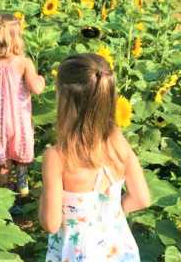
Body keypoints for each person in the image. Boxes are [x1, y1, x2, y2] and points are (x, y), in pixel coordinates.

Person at [39, 53, 150, 261]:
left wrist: (44, 193)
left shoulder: (57, 157)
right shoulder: (118, 142)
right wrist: (106, 217)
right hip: (117, 250)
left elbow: (51, 223)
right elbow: (141, 198)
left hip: (77, 254)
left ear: (64, 101)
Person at [0, 13, 45, 196]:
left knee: (4, 163)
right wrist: (41, 79)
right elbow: (36, 89)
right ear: (17, 37)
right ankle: (23, 191)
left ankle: (2, 197)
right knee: (21, 160)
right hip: (20, 121)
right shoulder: (24, 63)